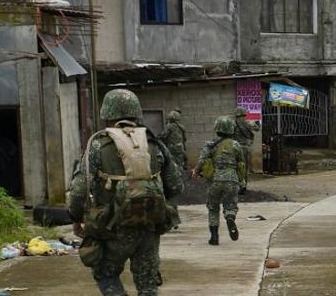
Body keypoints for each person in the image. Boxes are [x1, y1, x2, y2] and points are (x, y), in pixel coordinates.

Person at [68, 89, 184, 296]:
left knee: (105, 273)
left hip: (112, 227)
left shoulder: (98, 145)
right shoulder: (153, 144)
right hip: (149, 226)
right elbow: (176, 185)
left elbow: (79, 191)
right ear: (137, 113)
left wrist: (77, 218)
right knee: (148, 284)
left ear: (107, 114)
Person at [191, 116, 246, 245]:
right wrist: (242, 181)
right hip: (232, 180)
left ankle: (214, 237)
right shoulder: (236, 145)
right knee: (230, 205)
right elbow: (241, 163)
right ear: (231, 129)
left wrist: (196, 171)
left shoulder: (209, 145)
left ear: (217, 129)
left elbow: (202, 160)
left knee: (213, 208)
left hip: (214, 181)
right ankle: (230, 218)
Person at [233, 106, 259, 190]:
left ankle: (235, 185)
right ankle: (243, 186)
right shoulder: (248, 123)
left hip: (234, 148)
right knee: (244, 167)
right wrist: (257, 123)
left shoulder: (232, 123)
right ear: (244, 113)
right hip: (245, 148)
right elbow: (257, 129)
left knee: (235, 167)